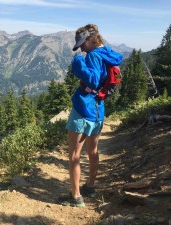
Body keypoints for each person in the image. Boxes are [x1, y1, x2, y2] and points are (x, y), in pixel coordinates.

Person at [59, 24, 123, 207]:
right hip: (98, 110)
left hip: (83, 108)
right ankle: (90, 186)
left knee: (74, 155)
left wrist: (78, 64)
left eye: (82, 43)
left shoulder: (93, 55)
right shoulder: (107, 53)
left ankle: (76, 197)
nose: (80, 48)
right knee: (93, 150)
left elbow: (93, 80)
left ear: (90, 39)